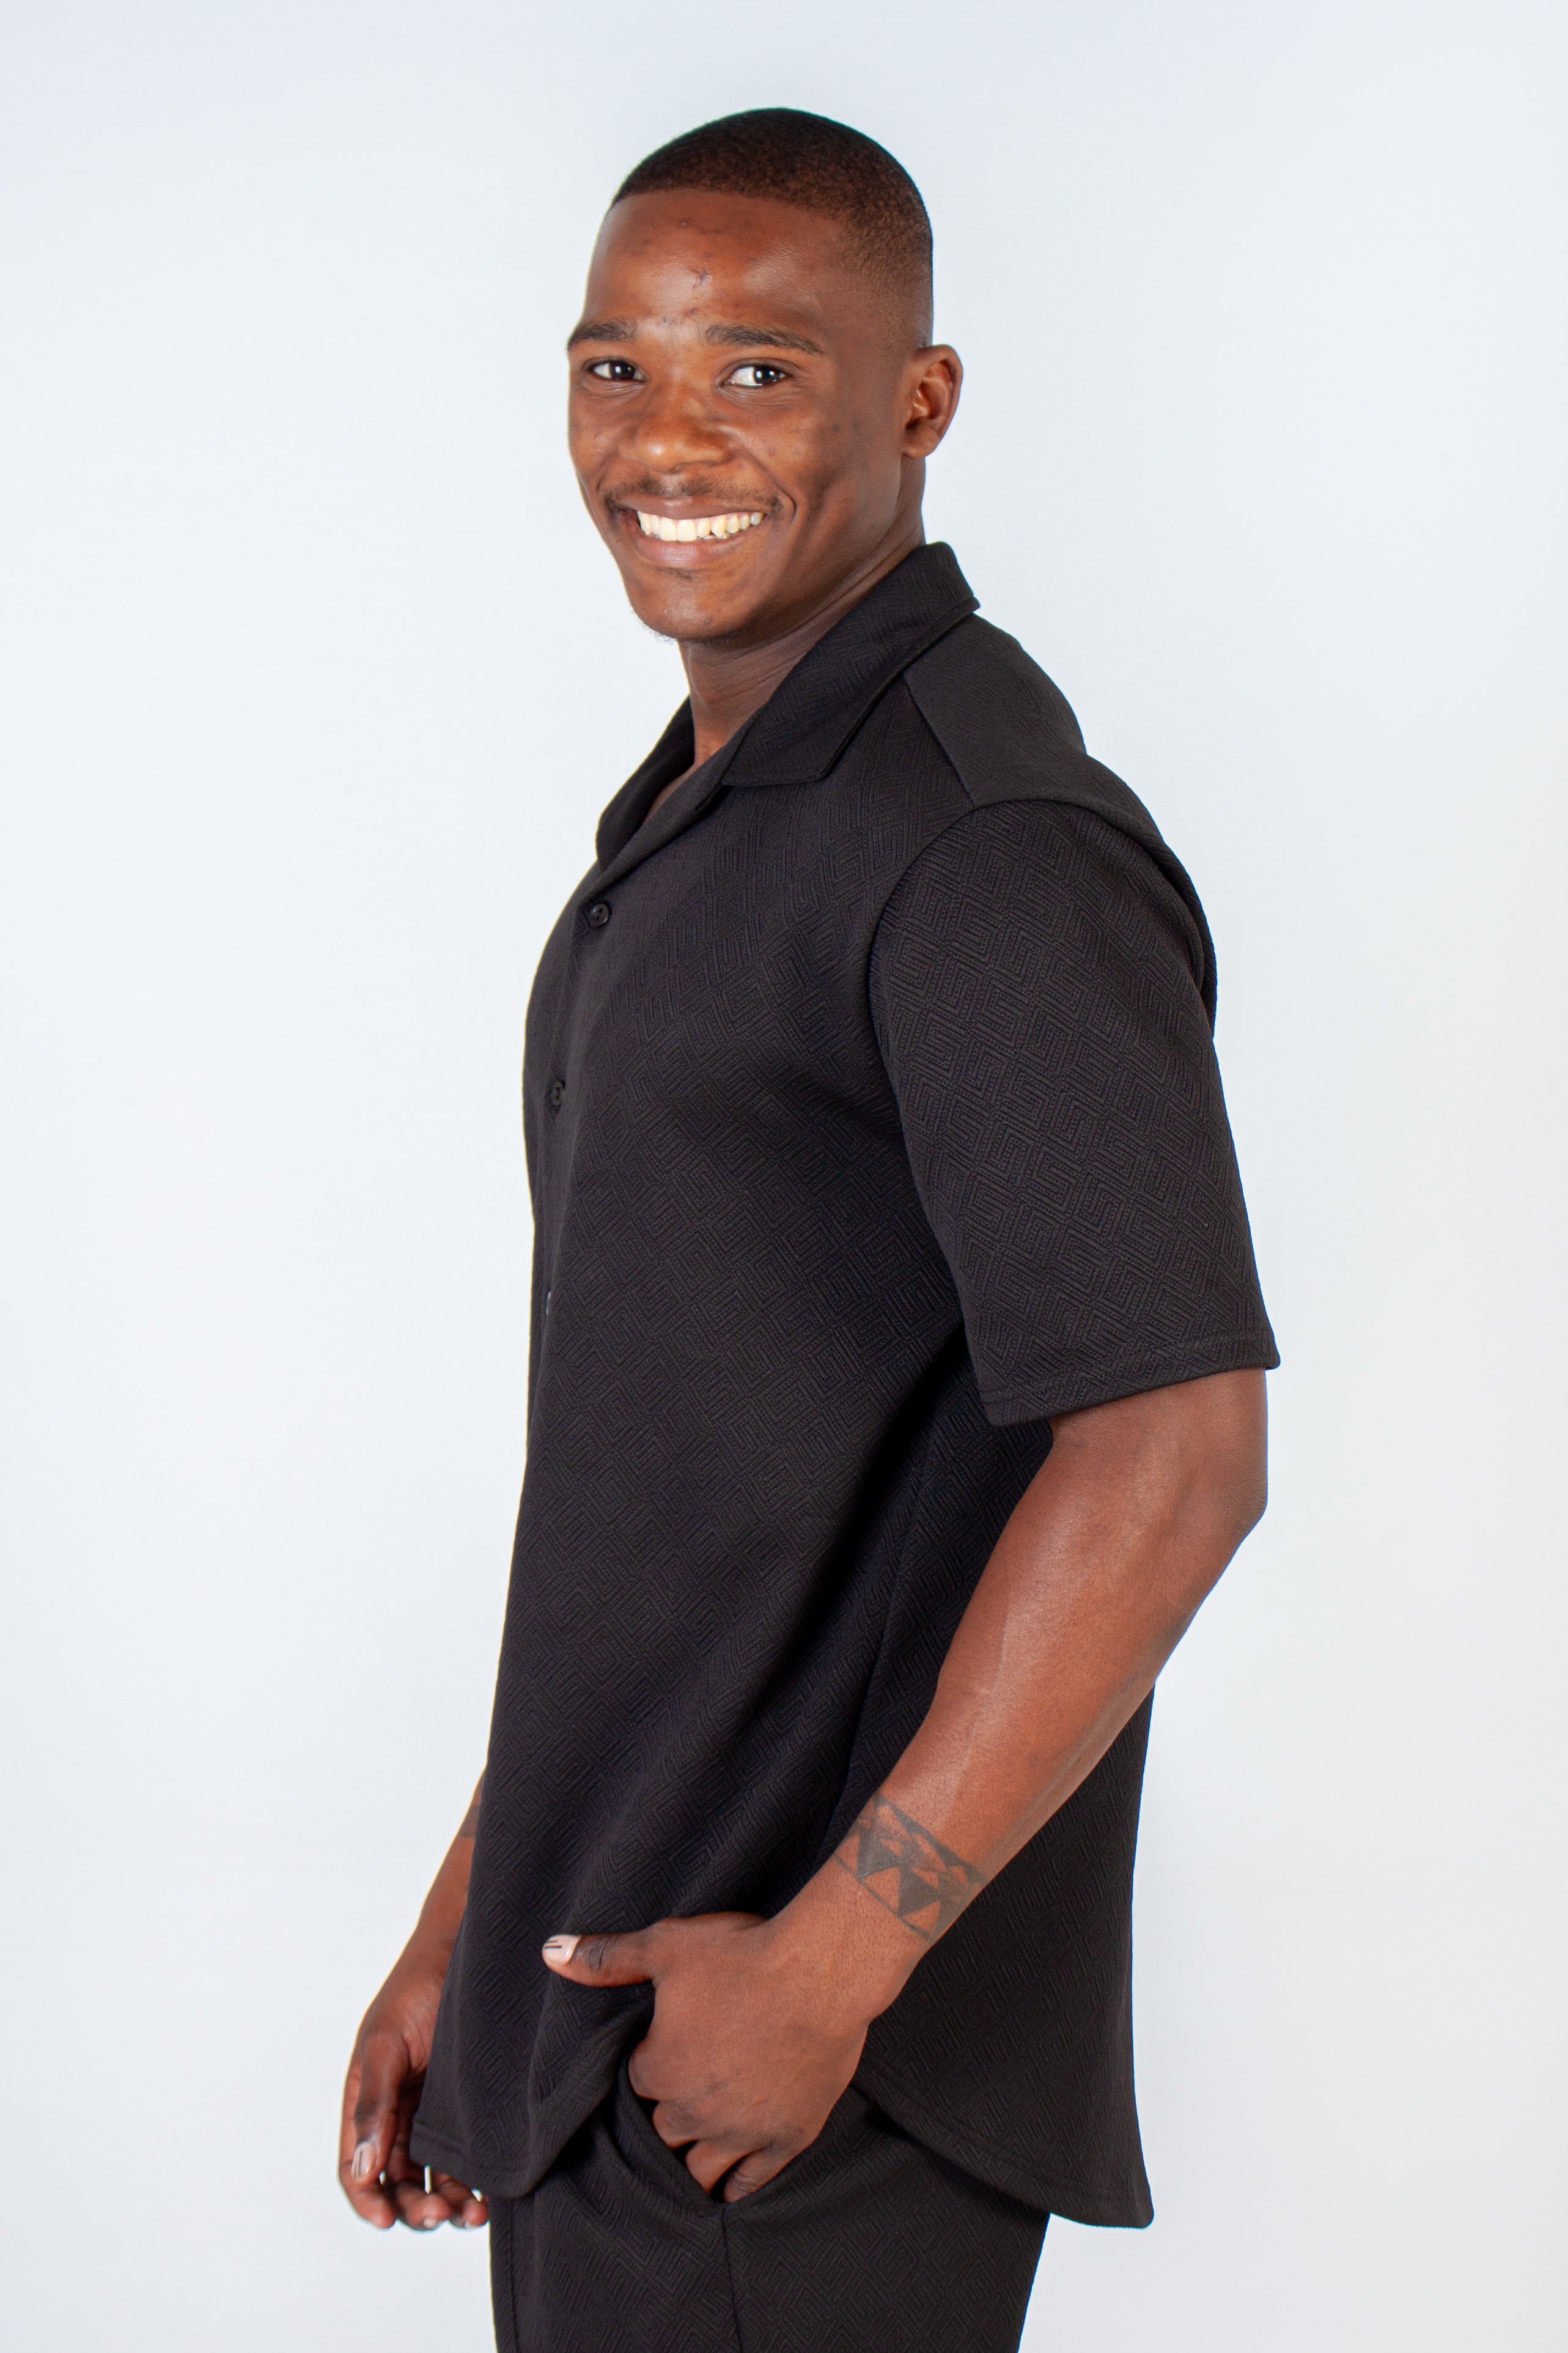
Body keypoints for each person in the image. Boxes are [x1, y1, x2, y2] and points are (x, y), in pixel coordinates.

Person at [338, 108, 1278, 2353]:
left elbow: (1175, 1457)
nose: (668, 440)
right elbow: (688, 1492)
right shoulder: (720, 816)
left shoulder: (983, 850)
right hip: (617, 2017)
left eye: (757, 372)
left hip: (790, 2078)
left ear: (919, 402)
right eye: (617, 370)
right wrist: (477, 1917)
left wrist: (833, 1964)